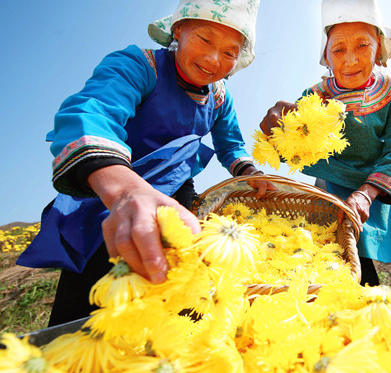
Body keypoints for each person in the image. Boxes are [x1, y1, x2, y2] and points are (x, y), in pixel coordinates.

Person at [17, 0, 273, 326]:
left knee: (176, 291)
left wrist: (251, 173)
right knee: (94, 298)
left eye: (229, 52)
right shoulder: (140, 65)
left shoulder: (220, 97)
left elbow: (231, 145)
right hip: (110, 197)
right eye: (205, 40)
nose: (213, 59)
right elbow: (93, 112)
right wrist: (125, 192)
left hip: (176, 195)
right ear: (178, 30)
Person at [259, 0, 391, 311]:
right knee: (353, 288)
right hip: (334, 192)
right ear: (325, 55)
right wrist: (278, 132)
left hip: (388, 186)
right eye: (338, 49)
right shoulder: (315, 97)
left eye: (362, 45)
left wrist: (367, 193)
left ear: (378, 48)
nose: (350, 59)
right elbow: (297, 150)